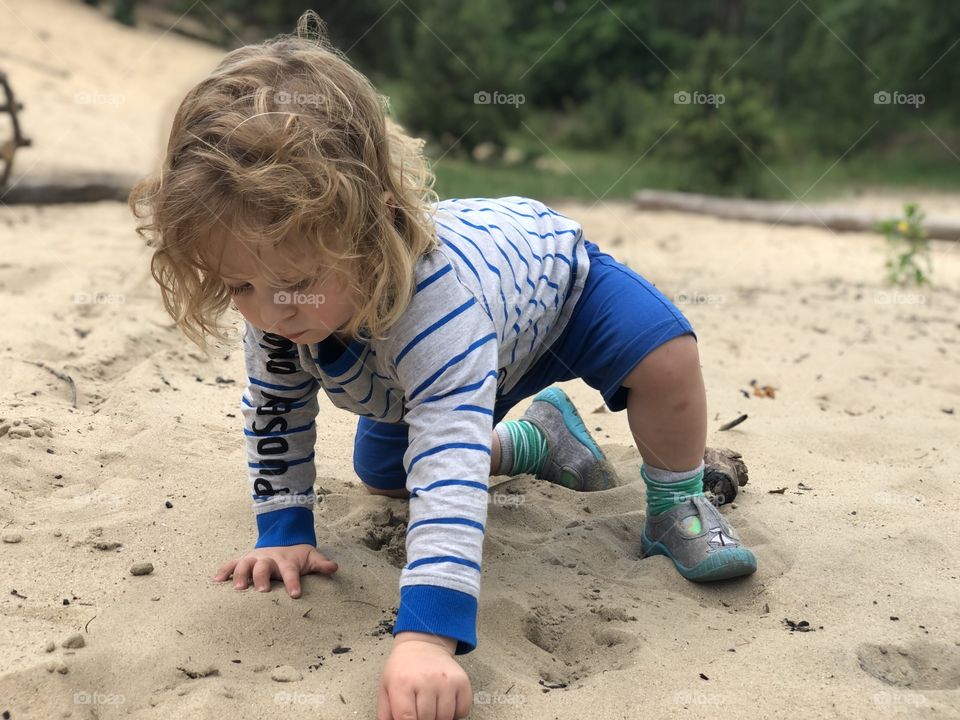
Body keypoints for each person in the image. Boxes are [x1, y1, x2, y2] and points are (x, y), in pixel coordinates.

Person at [129, 12, 757, 720]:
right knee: (386, 474)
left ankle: (677, 504)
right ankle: (535, 439)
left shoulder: (435, 304)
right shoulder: (280, 307)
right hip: (432, 370)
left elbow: (449, 462)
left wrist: (427, 637)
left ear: (376, 228)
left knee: (669, 359)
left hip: (560, 293)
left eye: (296, 279)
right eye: (240, 286)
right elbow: (276, 412)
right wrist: (286, 534)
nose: (273, 312)